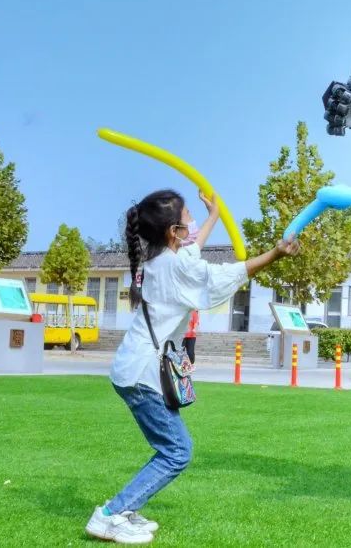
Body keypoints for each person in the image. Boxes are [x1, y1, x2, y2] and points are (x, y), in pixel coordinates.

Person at [85, 189, 299, 544]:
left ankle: (126, 509)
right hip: (142, 374)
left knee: (170, 447)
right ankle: (110, 515)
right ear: (174, 231)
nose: (193, 224)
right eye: (188, 218)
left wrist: (214, 215)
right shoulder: (175, 267)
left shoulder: (160, 259)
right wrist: (275, 254)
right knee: (177, 451)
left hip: (134, 368)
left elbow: (193, 249)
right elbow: (224, 276)